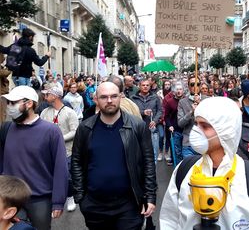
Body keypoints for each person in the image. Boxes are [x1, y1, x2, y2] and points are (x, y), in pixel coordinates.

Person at [160, 97, 249, 229]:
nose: (196, 132)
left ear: (225, 130)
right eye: (196, 124)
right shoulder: (184, 171)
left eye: (205, 126)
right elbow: (169, 220)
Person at [71, 82, 157, 230]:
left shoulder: (137, 126)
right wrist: (80, 197)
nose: (109, 100)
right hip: (94, 205)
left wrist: (150, 196)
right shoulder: (85, 128)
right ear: (96, 99)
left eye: (113, 96)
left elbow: (148, 162)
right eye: (104, 97)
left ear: (121, 97)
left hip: (128, 205)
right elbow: (77, 161)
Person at [0, 86, 68, 230]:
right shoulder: (6, 128)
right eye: (9, 103)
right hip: (11, 197)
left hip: (40, 199)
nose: (9, 107)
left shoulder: (51, 131)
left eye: (13, 103)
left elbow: (60, 167)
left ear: (29, 103)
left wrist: (58, 201)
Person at [40, 84, 79, 212]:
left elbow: (74, 131)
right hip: (48, 152)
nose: (45, 96)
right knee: (50, 176)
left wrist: (60, 138)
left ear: (55, 96)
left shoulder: (69, 112)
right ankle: (54, 200)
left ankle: (70, 197)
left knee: (67, 177)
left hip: (66, 151)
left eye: (47, 94)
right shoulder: (45, 112)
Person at [131, 79, 162, 162]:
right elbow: (130, 112)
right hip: (138, 129)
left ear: (150, 86)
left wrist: (155, 121)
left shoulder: (155, 97)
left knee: (153, 153)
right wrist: (142, 112)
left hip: (152, 129)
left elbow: (160, 111)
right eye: (143, 85)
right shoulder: (133, 98)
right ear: (139, 86)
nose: (145, 87)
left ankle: (153, 173)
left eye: (147, 85)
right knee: (139, 154)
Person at [178, 76, 207, 159]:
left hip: (204, 142)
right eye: (192, 84)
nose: (195, 86)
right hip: (188, 144)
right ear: (188, 86)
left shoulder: (207, 100)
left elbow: (212, 120)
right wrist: (191, 112)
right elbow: (180, 123)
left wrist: (200, 104)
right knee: (189, 170)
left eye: (197, 84)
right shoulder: (182, 102)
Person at [163, 82, 185, 163]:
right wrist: (169, 125)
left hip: (185, 129)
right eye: (177, 89)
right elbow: (166, 116)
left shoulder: (186, 100)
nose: (179, 91)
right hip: (175, 129)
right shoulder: (170, 102)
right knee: (177, 150)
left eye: (180, 89)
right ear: (174, 91)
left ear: (183, 90)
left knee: (185, 150)